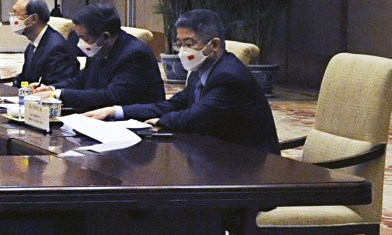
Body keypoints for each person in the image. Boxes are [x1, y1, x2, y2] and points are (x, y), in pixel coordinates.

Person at [84, 9, 278, 154]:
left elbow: (196, 116)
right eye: (180, 44)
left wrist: (161, 121)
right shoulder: (200, 69)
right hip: (215, 156)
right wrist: (116, 111)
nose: (183, 51)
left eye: (190, 44)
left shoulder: (229, 76)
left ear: (215, 45)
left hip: (248, 169)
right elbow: (174, 104)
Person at [31, 3, 163, 111]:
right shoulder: (99, 47)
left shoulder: (136, 55)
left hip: (137, 126)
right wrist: (52, 88)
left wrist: (59, 95)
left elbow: (111, 96)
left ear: (105, 36)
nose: (80, 44)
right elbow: (82, 80)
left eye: (85, 38)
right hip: (100, 117)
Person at [11, 0, 80, 85]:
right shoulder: (32, 46)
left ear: (34, 19)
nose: (12, 18)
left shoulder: (57, 48)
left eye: (16, 14)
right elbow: (23, 80)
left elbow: (56, 86)